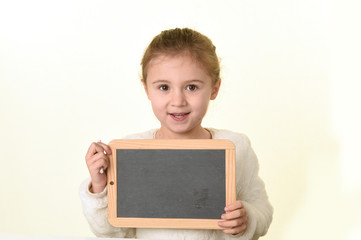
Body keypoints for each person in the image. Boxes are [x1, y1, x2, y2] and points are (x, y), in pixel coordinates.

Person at [79, 28, 273, 240]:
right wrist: (99, 186)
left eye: (191, 87)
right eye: (164, 87)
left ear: (214, 88)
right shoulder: (131, 152)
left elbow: (261, 209)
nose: (178, 101)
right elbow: (112, 230)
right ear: (146, 90)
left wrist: (247, 217)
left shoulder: (236, 146)